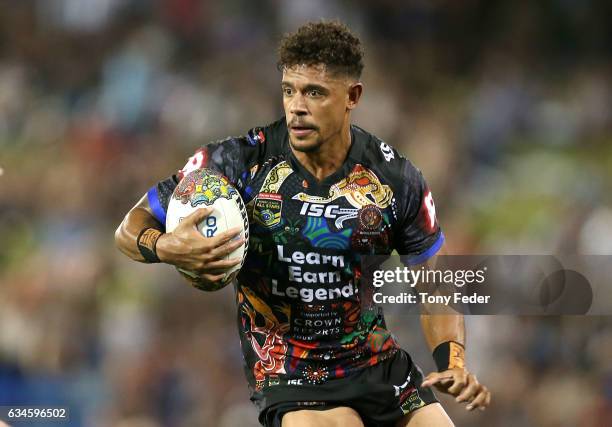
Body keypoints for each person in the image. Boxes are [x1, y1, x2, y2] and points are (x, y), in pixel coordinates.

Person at [115, 21, 490, 427]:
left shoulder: (395, 179)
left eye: (314, 93)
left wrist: (452, 359)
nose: (297, 106)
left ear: (352, 96)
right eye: (289, 90)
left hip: (377, 366)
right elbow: (130, 227)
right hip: (291, 372)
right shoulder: (237, 162)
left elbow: (434, 282)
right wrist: (163, 246)